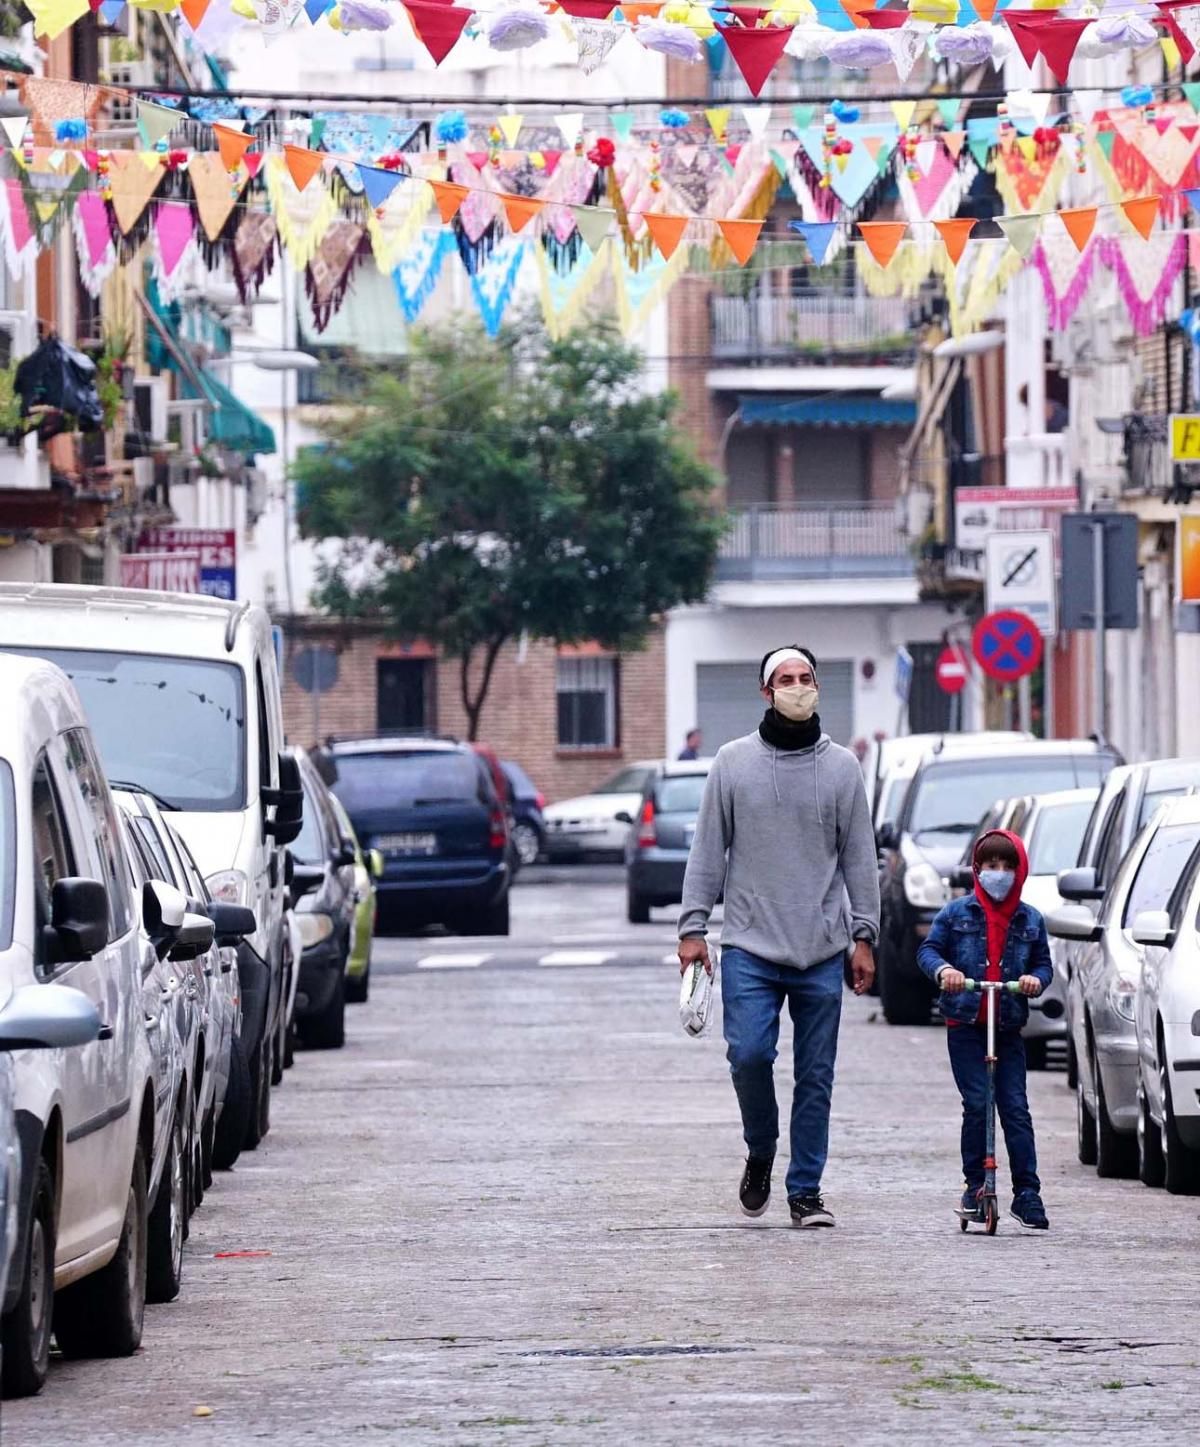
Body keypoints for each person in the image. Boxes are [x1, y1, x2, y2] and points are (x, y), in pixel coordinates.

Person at [677, 646, 879, 1228]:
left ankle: (806, 1191)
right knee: (748, 1056)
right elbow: (707, 850)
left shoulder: (842, 768)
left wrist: (863, 935)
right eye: (785, 680)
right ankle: (761, 1148)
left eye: (806, 678)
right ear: (766, 692)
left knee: (816, 1077)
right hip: (749, 946)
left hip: (820, 947)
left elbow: (860, 858)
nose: (798, 687)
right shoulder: (732, 763)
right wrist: (693, 928)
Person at [916, 830, 1052, 1231]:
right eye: (991, 866)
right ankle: (975, 1184)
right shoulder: (956, 914)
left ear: (1019, 871)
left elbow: (1043, 964)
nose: (999, 874)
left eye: (1008, 867)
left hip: (1007, 1026)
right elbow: (928, 950)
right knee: (977, 1103)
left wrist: (1034, 980)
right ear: (978, 870)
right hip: (966, 1025)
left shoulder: (1030, 919)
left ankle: (1028, 1192)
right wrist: (946, 971)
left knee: (1015, 1108)